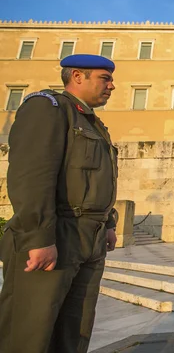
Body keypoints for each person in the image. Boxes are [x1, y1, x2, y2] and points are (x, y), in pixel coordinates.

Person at [0, 54, 119, 353]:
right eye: (105, 78)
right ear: (77, 76)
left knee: (75, 329)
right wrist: (39, 237)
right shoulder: (48, 108)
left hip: (88, 237)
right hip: (57, 234)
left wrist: (108, 224)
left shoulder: (93, 123)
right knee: (31, 332)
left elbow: (98, 180)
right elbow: (32, 176)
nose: (112, 86)